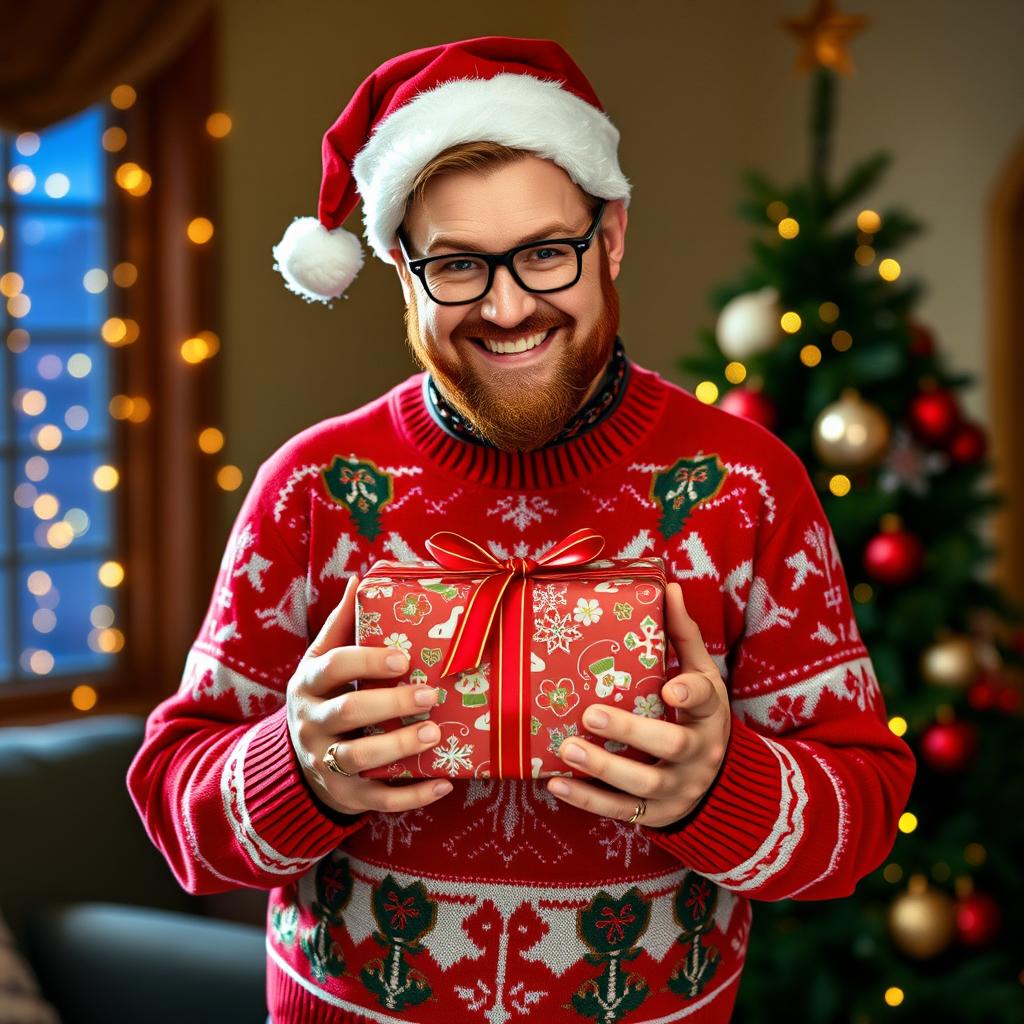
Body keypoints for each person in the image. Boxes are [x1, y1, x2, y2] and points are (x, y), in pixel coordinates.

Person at [128, 36, 916, 1024]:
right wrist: (301, 766)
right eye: (457, 265)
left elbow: (865, 819)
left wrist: (722, 786)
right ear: (400, 270)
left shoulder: (745, 487)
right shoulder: (313, 488)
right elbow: (176, 818)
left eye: (546, 251)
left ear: (612, 234)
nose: (506, 307)